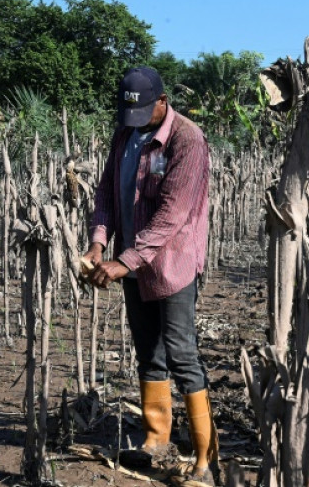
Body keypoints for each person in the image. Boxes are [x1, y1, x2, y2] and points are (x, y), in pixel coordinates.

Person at [83, 66, 217, 485]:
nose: (135, 125)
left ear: (163, 101)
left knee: (181, 354)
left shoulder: (188, 140)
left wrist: (124, 260)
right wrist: (99, 243)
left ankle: (205, 457)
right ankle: (156, 439)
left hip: (172, 264)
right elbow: (106, 193)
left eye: (143, 115)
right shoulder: (125, 134)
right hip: (130, 263)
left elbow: (172, 215)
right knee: (148, 351)